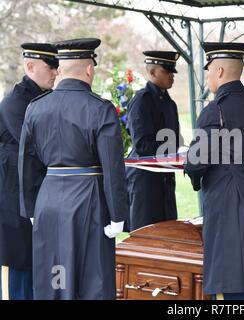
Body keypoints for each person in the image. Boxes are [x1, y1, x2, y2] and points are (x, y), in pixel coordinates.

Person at [18, 38, 129, 300]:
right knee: (93, 278)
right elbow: (113, 167)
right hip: (89, 200)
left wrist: (32, 207)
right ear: (89, 69)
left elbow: (27, 164)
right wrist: (118, 215)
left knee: (55, 275)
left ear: (60, 69)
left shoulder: (35, 108)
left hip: (49, 199)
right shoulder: (99, 108)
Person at [184, 42, 244, 300]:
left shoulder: (214, 111)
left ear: (218, 72)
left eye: (208, 71)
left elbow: (196, 163)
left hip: (229, 205)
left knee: (231, 282)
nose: (207, 77)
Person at [0, 43, 58, 300]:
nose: (56, 72)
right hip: (17, 195)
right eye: (51, 66)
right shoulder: (16, 101)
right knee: (23, 262)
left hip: (35, 190)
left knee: (39, 262)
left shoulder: (43, 97)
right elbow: (36, 146)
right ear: (30, 66)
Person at [126, 51, 183, 231]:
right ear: (152, 73)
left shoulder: (168, 102)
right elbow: (142, 145)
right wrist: (174, 152)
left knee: (168, 233)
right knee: (146, 235)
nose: (172, 75)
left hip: (164, 177)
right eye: (167, 71)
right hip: (146, 180)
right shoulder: (142, 100)